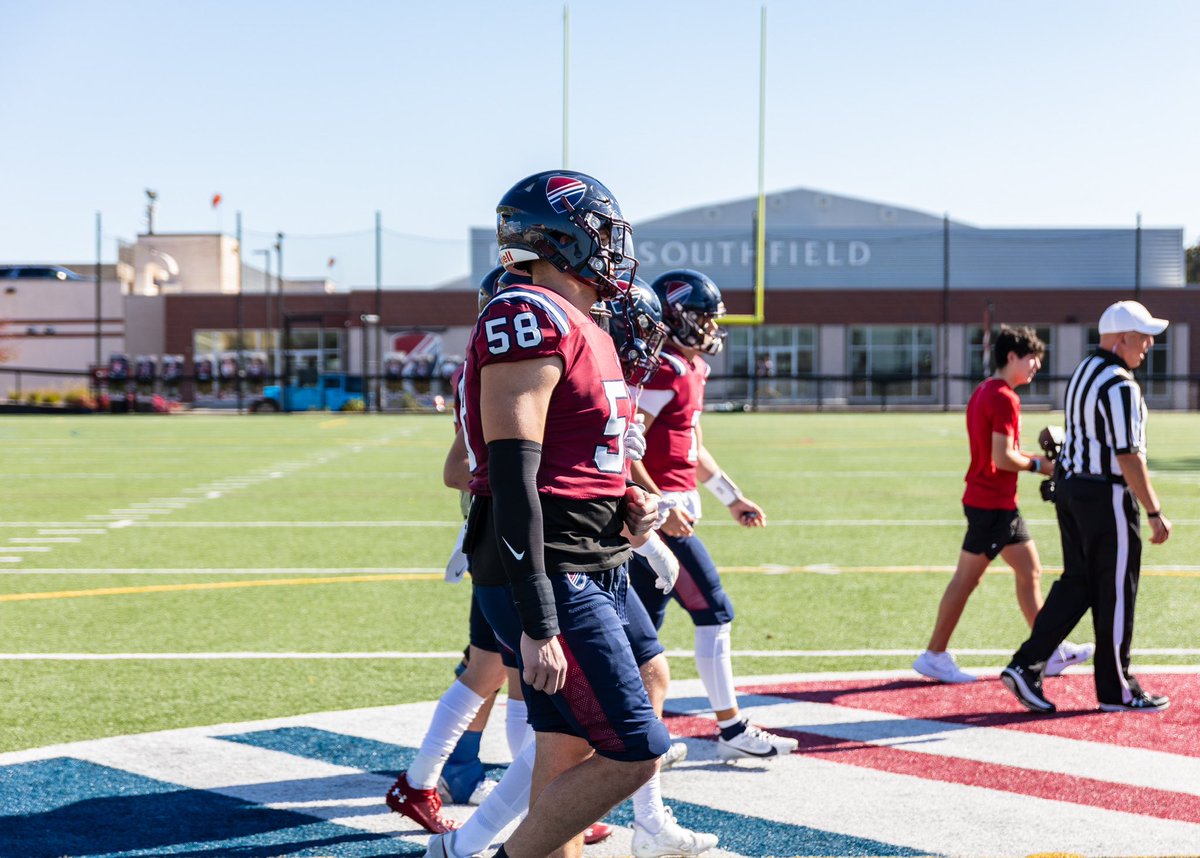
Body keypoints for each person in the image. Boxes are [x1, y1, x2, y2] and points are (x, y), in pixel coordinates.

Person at [452, 170, 671, 858]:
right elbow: (514, 476)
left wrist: (628, 504)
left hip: (596, 555)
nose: (612, 250)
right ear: (559, 238)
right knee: (637, 748)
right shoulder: (528, 312)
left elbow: (575, 462)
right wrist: (538, 616)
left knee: (572, 744)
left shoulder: (587, 324)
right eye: (602, 235)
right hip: (553, 566)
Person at [628, 268, 798, 761]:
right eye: (703, 317)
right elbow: (625, 446)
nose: (711, 327)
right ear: (675, 316)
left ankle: (639, 738)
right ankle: (731, 727)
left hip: (666, 510)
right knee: (714, 611)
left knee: (645, 636)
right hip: (654, 516)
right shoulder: (663, 370)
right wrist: (659, 505)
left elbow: (692, 447)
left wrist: (732, 497)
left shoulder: (691, 369)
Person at [1001, 301, 1173, 714]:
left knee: (1079, 584)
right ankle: (1118, 688)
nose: (1149, 343)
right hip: (1106, 495)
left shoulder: (1083, 372)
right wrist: (1153, 510)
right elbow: (1128, 454)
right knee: (1115, 589)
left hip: (1072, 489)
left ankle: (1026, 664)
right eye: (1143, 335)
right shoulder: (1120, 384)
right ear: (1121, 338)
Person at [913, 326, 1094, 684]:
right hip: (992, 505)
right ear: (1011, 357)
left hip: (992, 501)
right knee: (967, 580)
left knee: (1029, 571)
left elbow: (1002, 453)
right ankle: (934, 654)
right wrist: (1042, 466)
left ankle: (1049, 650)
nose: (1037, 366)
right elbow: (1002, 457)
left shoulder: (984, 390)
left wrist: (1036, 461)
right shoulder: (1004, 397)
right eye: (1032, 358)